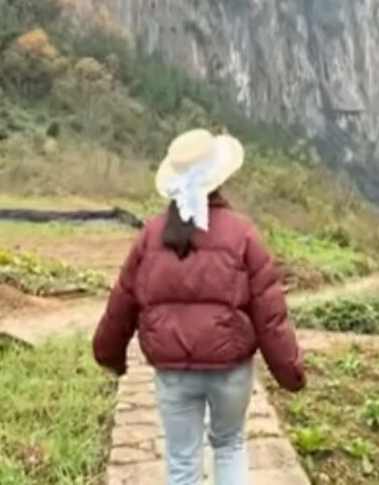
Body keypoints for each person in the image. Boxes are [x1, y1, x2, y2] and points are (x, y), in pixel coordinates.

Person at [93, 128, 305, 485]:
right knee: (230, 445)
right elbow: (270, 314)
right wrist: (289, 371)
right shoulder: (242, 232)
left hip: (174, 374)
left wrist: (108, 353)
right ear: (220, 179)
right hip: (229, 370)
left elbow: (123, 299)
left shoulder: (152, 233)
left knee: (181, 461)